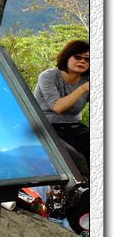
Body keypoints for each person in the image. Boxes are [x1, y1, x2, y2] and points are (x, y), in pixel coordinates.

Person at [33, 39, 90, 179]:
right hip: (46, 126)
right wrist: (83, 89)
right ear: (67, 56)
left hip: (74, 127)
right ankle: (79, 192)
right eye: (78, 57)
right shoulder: (49, 76)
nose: (82, 61)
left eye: (87, 59)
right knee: (72, 158)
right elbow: (57, 107)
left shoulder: (87, 79)